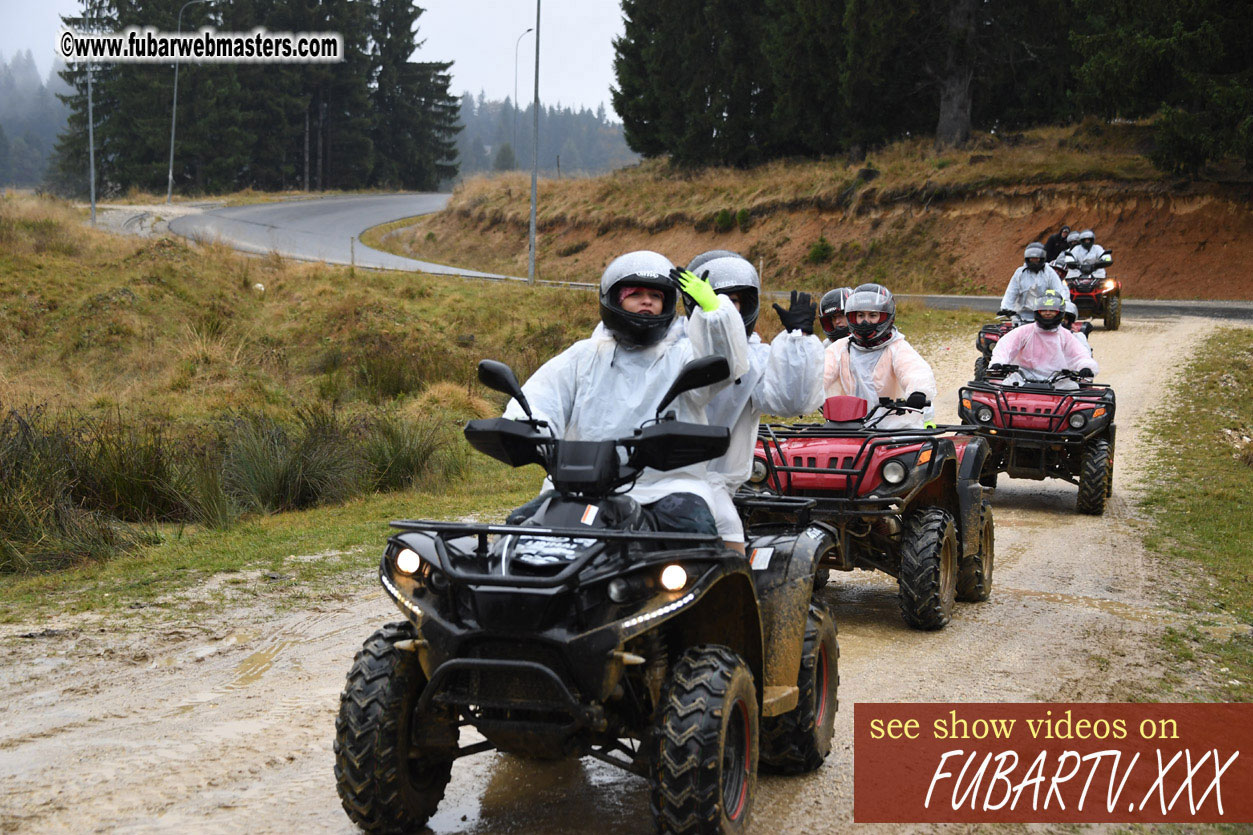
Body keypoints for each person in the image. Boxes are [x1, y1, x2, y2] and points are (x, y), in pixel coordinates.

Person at [503, 250, 749, 533]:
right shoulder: (584, 355)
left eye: (656, 296)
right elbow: (542, 398)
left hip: (668, 486)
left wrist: (714, 314)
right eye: (636, 294)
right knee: (518, 531)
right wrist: (522, 428)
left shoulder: (683, 356)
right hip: (582, 486)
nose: (647, 300)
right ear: (614, 300)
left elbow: (725, 366)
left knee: (696, 535)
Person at [688, 253, 825, 552]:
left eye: (734, 301)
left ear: (748, 306)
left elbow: (790, 402)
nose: (725, 307)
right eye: (715, 297)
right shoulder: (675, 349)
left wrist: (798, 342)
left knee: (729, 541)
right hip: (661, 479)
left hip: (717, 484)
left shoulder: (756, 358)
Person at [823, 283, 937, 430]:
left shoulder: (897, 347)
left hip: (895, 428)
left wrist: (918, 392)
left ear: (885, 317)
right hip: (849, 426)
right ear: (852, 316)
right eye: (860, 315)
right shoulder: (841, 348)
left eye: (873, 315)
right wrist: (805, 394)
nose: (865, 321)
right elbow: (820, 373)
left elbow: (914, 370)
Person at [990, 290, 1097, 387]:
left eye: (1052, 310)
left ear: (1060, 312)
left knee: (1077, 397)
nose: (1048, 313)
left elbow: (1080, 355)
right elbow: (1005, 348)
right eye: (1044, 310)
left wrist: (1086, 367)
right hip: (1021, 382)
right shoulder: (1024, 331)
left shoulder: (1066, 336)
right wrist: (998, 362)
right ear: (1037, 311)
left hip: (1059, 383)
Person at [998, 242, 1070, 321]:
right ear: (1027, 259)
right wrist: (1006, 308)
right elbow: (1011, 292)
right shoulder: (1020, 273)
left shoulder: (1050, 273)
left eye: (1037, 259)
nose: (1034, 261)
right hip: (1022, 315)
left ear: (1042, 258)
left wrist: (1065, 308)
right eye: (1031, 259)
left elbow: (1059, 291)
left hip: (1045, 314)